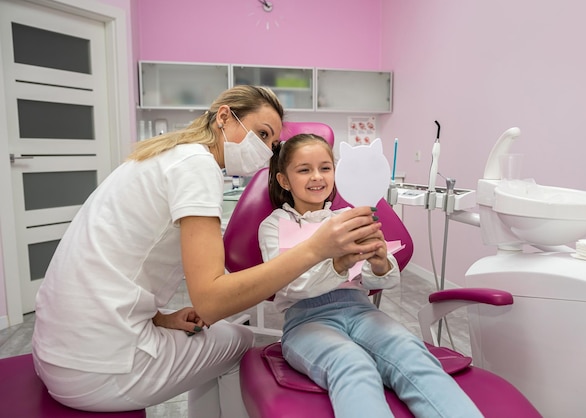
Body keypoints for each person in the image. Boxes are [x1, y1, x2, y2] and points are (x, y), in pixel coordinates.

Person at [31, 86, 383, 417]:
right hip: (97, 366)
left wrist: (159, 319)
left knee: (219, 334)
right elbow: (211, 303)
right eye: (261, 134)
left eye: (272, 142)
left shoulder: (161, 156)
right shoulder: (196, 166)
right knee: (241, 343)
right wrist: (315, 249)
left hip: (58, 349)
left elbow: (112, 263)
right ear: (224, 117)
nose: (265, 150)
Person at [259, 133, 484, 418]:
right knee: (352, 364)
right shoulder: (274, 225)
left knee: (412, 354)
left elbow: (381, 281)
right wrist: (338, 265)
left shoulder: (348, 218)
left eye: (325, 168)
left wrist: (378, 264)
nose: (317, 177)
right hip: (306, 320)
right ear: (284, 180)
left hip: (360, 310)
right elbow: (286, 284)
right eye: (304, 170)